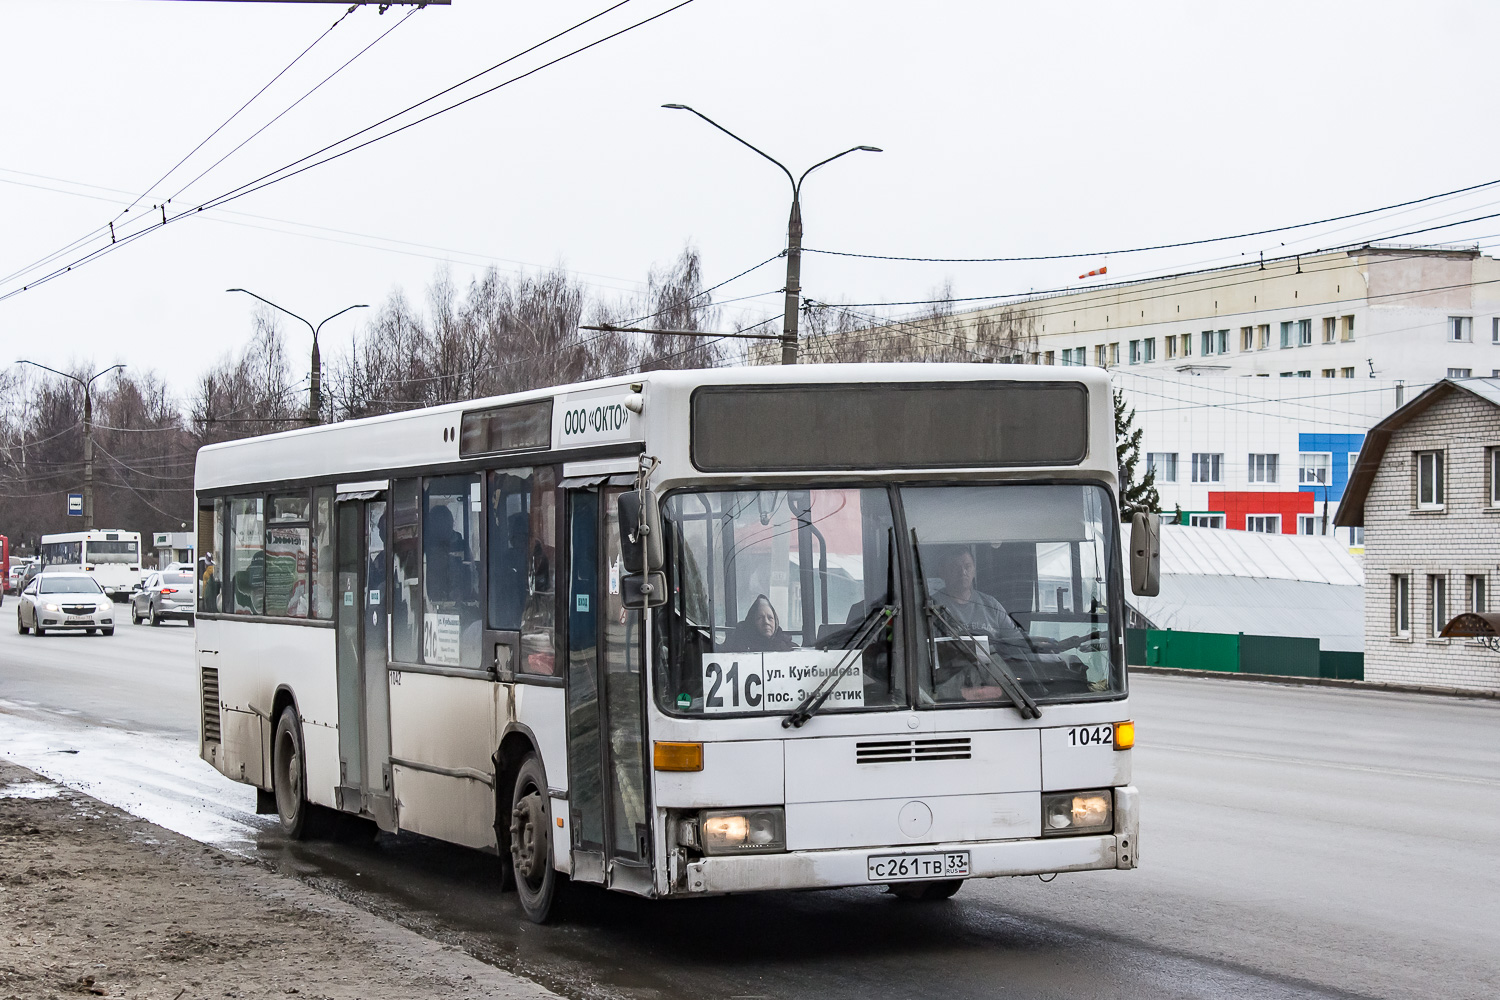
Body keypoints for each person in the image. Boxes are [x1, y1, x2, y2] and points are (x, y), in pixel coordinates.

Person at [723, 594, 798, 652]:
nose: (766, 622)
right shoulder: (739, 646)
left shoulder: (788, 647)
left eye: (770, 618)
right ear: (752, 622)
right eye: (760, 618)